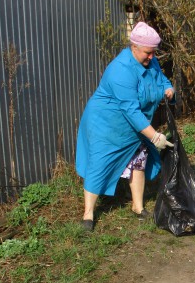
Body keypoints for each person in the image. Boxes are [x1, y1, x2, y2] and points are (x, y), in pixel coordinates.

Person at [75, 22, 175, 231]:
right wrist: (154, 136)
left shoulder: (150, 62)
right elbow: (130, 109)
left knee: (138, 159)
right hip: (106, 124)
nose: (151, 57)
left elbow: (162, 78)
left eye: (154, 53)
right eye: (148, 53)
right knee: (99, 163)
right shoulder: (120, 70)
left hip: (134, 127)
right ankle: (88, 215)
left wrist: (168, 88)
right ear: (134, 47)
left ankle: (138, 207)